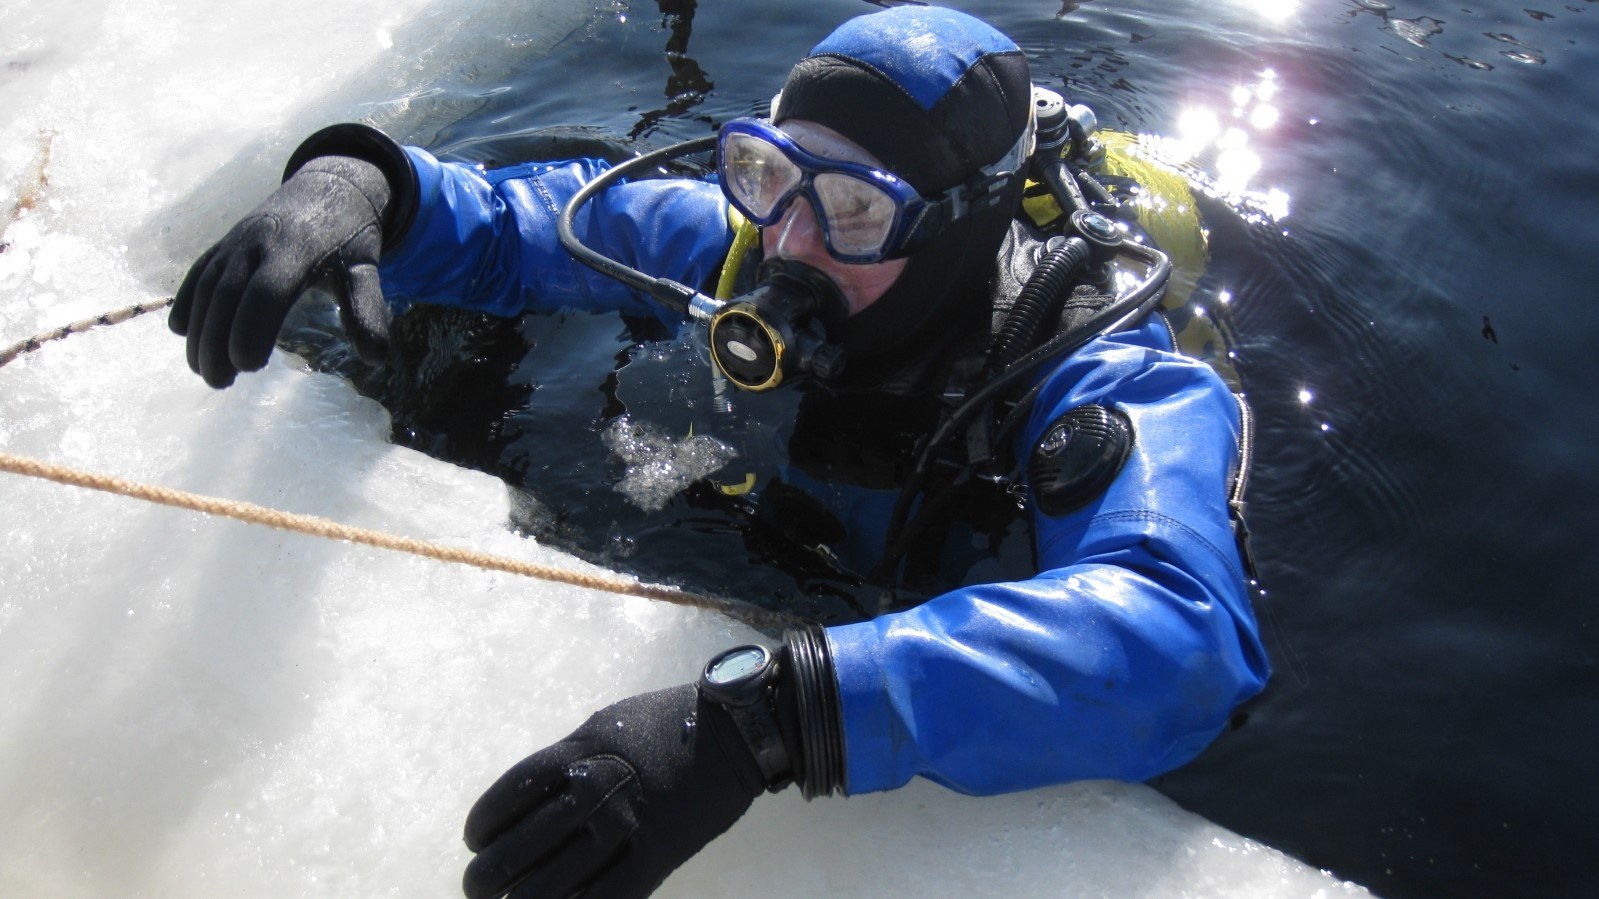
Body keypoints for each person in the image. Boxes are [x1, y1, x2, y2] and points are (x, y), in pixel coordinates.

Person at [169, 6, 1271, 898]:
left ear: (957, 223)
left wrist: (770, 717)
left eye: (849, 205)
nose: (787, 237)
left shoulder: (1100, 370)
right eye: (769, 172)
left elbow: (1182, 638)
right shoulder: (745, 244)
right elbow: (517, 227)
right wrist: (362, 186)